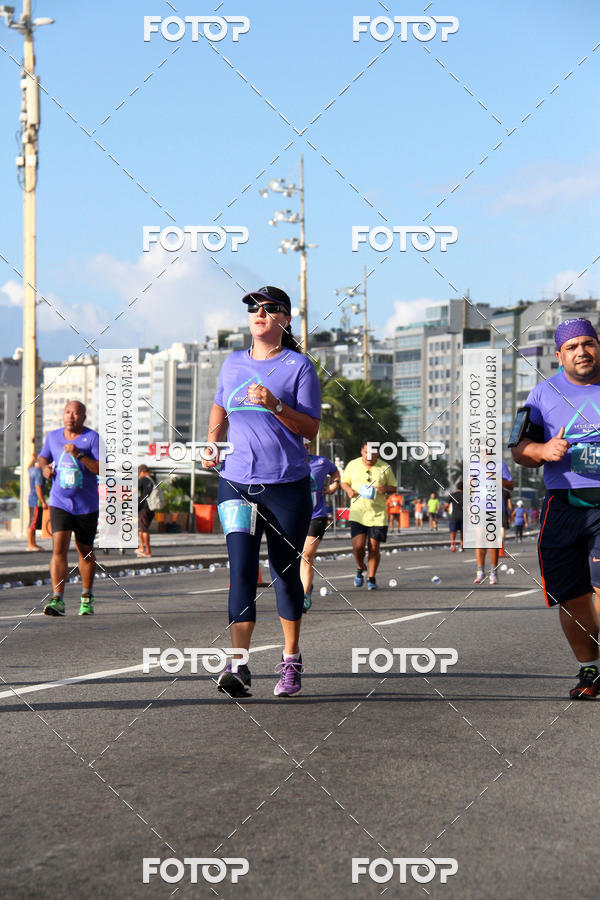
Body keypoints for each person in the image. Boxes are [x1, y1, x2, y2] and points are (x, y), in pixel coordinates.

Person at [203, 286, 320, 698]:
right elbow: (220, 403)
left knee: (285, 575)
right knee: (241, 571)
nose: (259, 313)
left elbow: (311, 429)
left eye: (269, 308)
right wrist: (213, 440)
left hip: (287, 486)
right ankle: (238, 666)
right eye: (254, 307)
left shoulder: (299, 367)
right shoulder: (233, 363)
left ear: (285, 319)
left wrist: (276, 405)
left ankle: (290, 659)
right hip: (236, 482)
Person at [511, 317, 600, 699]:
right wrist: (543, 450)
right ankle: (590, 670)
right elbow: (519, 449)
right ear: (559, 355)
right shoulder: (542, 395)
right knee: (571, 596)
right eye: (573, 347)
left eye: (588, 343)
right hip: (563, 505)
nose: (582, 351)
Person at [39, 401, 100, 616]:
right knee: (59, 548)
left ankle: (86, 597)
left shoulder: (92, 438)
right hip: (60, 502)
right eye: (67, 412)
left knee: (85, 551)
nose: (70, 416)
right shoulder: (53, 437)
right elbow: (43, 457)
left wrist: (80, 455)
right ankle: (57, 599)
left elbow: (102, 468)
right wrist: (45, 468)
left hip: (86, 505)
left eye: (75, 413)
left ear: (83, 417)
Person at [341, 440, 397, 590]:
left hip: (378, 514)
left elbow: (394, 487)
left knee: (374, 547)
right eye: (367, 452)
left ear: (377, 453)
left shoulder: (385, 467)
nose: (369, 456)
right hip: (358, 513)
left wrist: (385, 489)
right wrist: (348, 490)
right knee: (358, 547)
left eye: (373, 453)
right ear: (362, 451)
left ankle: (371, 577)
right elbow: (344, 482)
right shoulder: (353, 465)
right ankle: (361, 567)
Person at [300, 446, 340, 611]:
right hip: (293, 518)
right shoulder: (284, 462)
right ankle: (306, 586)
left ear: (307, 446)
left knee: (306, 555)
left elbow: (335, 471)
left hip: (316, 517)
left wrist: (334, 485)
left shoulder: (321, 462)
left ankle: (304, 595)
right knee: (296, 557)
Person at [474, 462, 513, 585]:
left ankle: (493, 572)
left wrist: (495, 478)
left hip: (494, 507)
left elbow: (511, 485)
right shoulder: (474, 465)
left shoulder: (500, 465)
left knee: (491, 540)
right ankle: (480, 571)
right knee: (479, 539)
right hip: (479, 507)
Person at [26, 450, 48, 551]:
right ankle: (30, 544)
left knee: (32, 522)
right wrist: (43, 502)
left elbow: (28, 467)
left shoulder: (32, 470)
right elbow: (38, 487)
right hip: (36, 500)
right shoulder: (39, 472)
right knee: (33, 523)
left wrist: (33, 458)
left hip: (31, 498)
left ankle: (33, 543)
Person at [137, 464, 155, 557]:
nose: (139, 475)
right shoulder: (153, 480)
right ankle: (142, 548)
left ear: (143, 472)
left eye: (139, 473)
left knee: (143, 529)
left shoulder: (143, 480)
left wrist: (125, 498)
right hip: (151, 507)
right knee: (142, 527)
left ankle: (148, 551)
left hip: (143, 507)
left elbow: (134, 490)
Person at [446, 481, 463, 552]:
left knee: (453, 530)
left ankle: (453, 543)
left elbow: (447, 505)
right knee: (463, 532)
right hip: (463, 516)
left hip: (454, 516)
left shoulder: (452, 495)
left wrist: (445, 509)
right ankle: (461, 547)